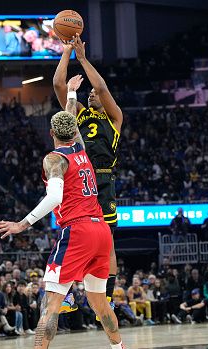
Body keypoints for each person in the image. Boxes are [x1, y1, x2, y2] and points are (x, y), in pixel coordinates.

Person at [0, 109, 136, 349]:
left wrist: (22, 224)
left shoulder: (54, 159)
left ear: (51, 134)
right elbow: (70, 124)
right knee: (99, 302)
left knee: (51, 304)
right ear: (74, 132)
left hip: (79, 231)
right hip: (102, 232)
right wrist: (70, 97)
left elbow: (56, 197)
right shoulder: (81, 150)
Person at [53, 34, 124, 313]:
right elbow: (59, 84)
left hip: (103, 179)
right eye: (89, 92)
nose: (91, 93)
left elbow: (102, 86)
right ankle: (68, 294)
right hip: (80, 177)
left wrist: (83, 58)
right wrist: (67, 53)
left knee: (107, 242)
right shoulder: (78, 114)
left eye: (94, 93)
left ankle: (104, 298)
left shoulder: (115, 118)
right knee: (74, 236)